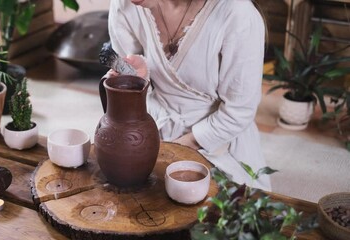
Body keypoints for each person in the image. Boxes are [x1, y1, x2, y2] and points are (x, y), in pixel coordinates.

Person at [103, 0, 271, 190]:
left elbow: (239, 111)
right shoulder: (125, 5)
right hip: (152, 128)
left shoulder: (238, 15)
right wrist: (138, 79)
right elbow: (129, 83)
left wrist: (173, 151)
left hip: (216, 139)